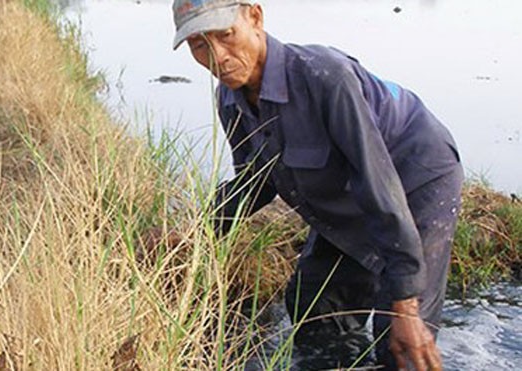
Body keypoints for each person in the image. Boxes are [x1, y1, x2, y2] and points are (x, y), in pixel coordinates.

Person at [172, 1, 463, 370]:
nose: (217, 57)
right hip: (349, 189)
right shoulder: (230, 100)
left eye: (225, 35)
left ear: (255, 17)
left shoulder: (326, 77)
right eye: (199, 45)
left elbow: (377, 182)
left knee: (399, 336)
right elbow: (254, 182)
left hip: (414, 174)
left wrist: (406, 302)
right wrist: (195, 234)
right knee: (313, 308)